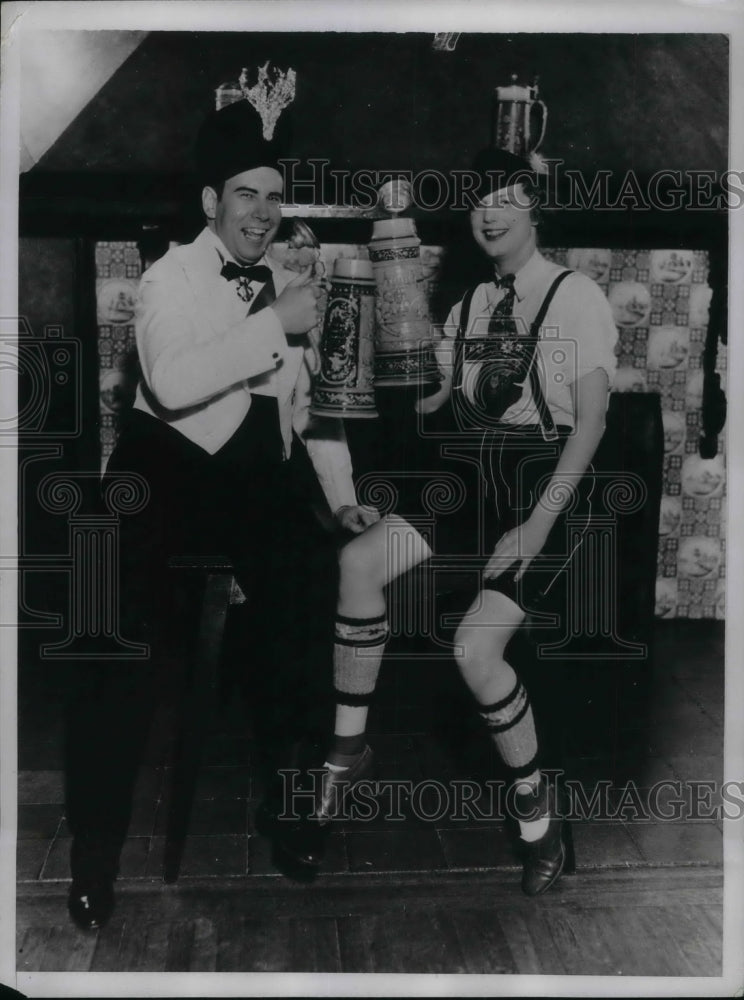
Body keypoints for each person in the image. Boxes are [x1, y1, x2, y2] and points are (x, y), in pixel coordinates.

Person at [63, 99, 377, 930]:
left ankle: (289, 808)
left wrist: (340, 503)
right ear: (212, 203)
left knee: (309, 592)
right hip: (161, 475)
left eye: (274, 197)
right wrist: (272, 324)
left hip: (254, 486)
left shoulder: (291, 287)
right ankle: (94, 857)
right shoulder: (171, 275)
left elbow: (314, 412)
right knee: (113, 640)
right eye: (245, 194)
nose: (263, 213)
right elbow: (169, 381)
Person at [281, 146, 618, 896]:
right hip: (468, 488)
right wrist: (383, 345)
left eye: (506, 198)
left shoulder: (575, 297)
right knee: (358, 561)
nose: (489, 212)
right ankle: (347, 754)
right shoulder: (468, 305)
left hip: (547, 494)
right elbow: (438, 409)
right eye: (479, 201)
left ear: (536, 210)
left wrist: (534, 528)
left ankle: (534, 812)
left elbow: (591, 428)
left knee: (474, 649)